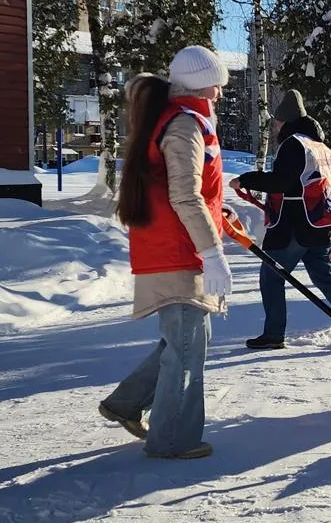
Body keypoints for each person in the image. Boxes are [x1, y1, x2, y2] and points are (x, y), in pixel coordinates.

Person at [95, 46, 235, 460]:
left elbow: (189, 191)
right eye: (218, 85)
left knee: (188, 339)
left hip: (174, 246)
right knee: (187, 347)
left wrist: (218, 213)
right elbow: (183, 195)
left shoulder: (181, 120)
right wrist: (211, 252)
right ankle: (173, 439)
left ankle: (126, 402)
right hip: (177, 251)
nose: (221, 94)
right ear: (201, 84)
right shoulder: (185, 125)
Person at [232, 88, 331, 350]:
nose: (276, 127)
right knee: (324, 277)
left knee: (271, 275)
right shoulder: (320, 146)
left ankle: (274, 334)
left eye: (277, 122)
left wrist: (247, 179)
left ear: (285, 121)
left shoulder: (293, 144)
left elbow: (282, 182)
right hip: (320, 223)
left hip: (295, 226)